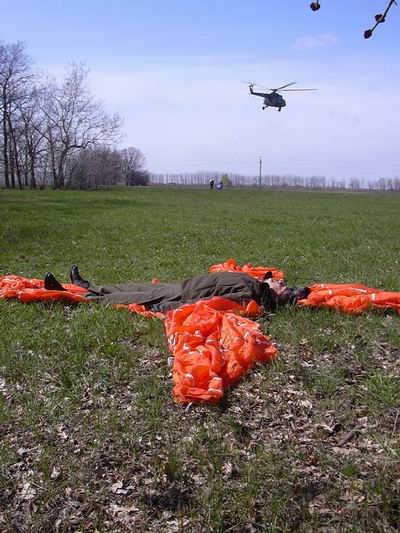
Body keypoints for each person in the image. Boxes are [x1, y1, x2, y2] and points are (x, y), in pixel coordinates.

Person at [44, 266, 309, 314]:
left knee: (128, 298)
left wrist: (166, 308)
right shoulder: (256, 284)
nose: (278, 280)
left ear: (278, 294)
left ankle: (71, 296)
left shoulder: (251, 297)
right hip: (180, 286)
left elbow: (212, 305)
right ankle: (88, 287)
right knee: (131, 287)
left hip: (182, 296)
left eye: (282, 285)